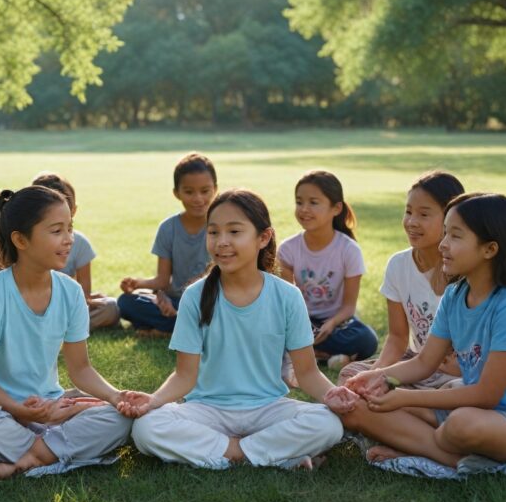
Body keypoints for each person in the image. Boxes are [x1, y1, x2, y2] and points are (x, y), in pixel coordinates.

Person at [120, 189, 357, 469]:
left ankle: (226, 453)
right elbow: (185, 376)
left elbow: (306, 373)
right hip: (207, 411)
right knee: (147, 428)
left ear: (263, 238)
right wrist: (154, 400)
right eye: (213, 233)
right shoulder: (195, 296)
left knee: (327, 424)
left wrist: (331, 395)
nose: (222, 243)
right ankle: (264, 455)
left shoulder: (287, 296)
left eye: (234, 232)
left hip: (268, 409)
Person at [342, 193, 506, 468]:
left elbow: (487, 394)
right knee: (357, 403)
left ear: (490, 249)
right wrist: (378, 377)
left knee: (461, 425)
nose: (443, 245)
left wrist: (406, 398)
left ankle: (424, 448)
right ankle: (443, 451)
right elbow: (424, 362)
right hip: (466, 409)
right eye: (445, 233)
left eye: (455, 236)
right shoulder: (455, 295)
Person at [0, 186, 135, 485]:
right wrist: (21, 411)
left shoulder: (71, 291)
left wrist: (117, 397)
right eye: (56, 231)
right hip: (1, 410)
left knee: (120, 419)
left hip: (53, 407)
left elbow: (80, 370)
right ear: (20, 239)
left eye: (70, 228)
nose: (69, 240)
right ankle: (52, 455)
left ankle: (27, 460)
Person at [338, 171, 465, 387]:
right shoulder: (398, 265)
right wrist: (375, 375)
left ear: (451, 219)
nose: (412, 222)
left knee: (457, 391)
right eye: (408, 212)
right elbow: (397, 338)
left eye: (424, 214)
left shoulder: (465, 267)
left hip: (456, 375)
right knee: (351, 375)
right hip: (415, 366)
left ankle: (407, 410)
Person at [278, 170, 377, 383]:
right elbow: (287, 304)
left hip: (335, 324)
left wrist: (330, 324)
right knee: (268, 331)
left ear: (336, 208)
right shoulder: (287, 249)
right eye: (299, 202)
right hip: (299, 319)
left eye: (313, 202)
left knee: (366, 339)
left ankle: (305, 354)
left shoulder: (349, 250)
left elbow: (349, 308)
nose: (304, 209)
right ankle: (319, 355)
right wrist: (302, 327)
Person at [118, 152, 218, 336]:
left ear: (215, 189)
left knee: (220, 313)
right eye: (189, 192)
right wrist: (138, 285)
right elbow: (163, 280)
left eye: (205, 191)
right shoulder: (168, 228)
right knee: (125, 302)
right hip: (178, 301)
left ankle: (171, 327)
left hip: (212, 302)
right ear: (176, 193)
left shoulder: (221, 225)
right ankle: (181, 326)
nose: (198, 199)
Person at [32, 172, 120, 329]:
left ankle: (63, 327)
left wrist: (88, 299)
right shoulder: (32, 242)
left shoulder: (80, 243)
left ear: (73, 210)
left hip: (69, 306)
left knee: (110, 307)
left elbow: (84, 293)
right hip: (36, 304)